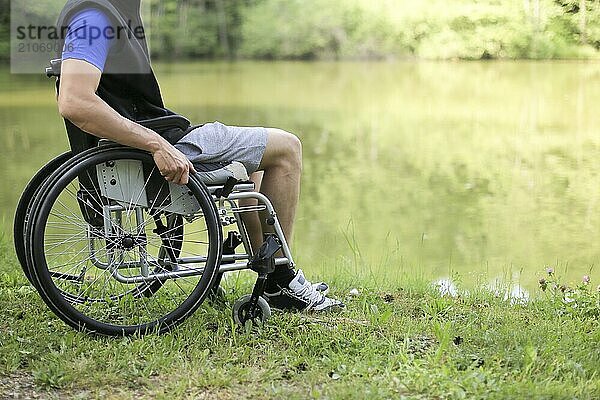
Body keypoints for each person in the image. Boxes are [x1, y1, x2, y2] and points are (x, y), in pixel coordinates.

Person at [54, 0, 344, 312]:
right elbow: (74, 101)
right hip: (156, 149)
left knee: (255, 161)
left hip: (145, 143)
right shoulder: (95, 19)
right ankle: (281, 279)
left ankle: (273, 273)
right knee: (287, 148)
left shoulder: (104, 11)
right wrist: (157, 145)